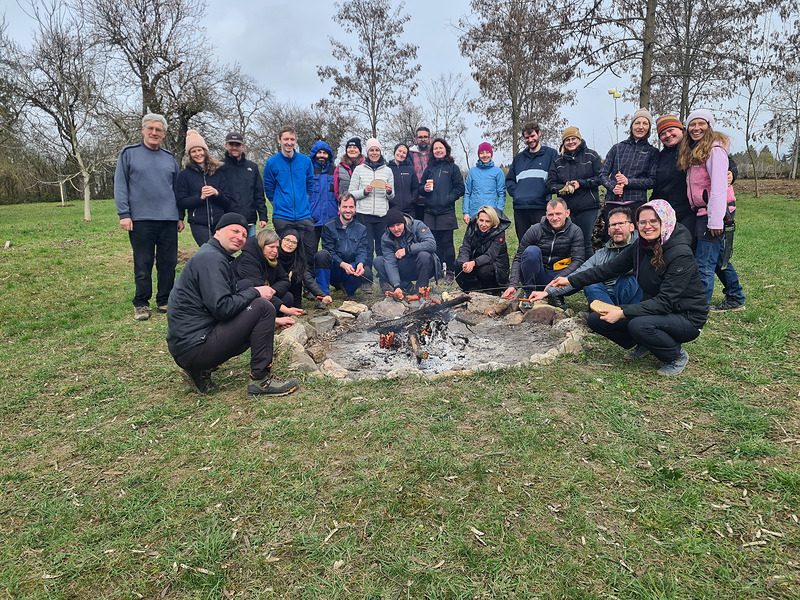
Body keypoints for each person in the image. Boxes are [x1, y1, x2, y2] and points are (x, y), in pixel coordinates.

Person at [549, 199, 708, 376]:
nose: (648, 226)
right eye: (643, 222)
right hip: (656, 310)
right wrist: (571, 280)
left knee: (639, 324)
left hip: (686, 317)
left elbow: (665, 302)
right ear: (637, 224)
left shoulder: (680, 254)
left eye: (654, 221)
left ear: (666, 221)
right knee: (596, 319)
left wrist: (623, 312)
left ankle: (675, 355)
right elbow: (607, 269)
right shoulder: (640, 247)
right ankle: (646, 343)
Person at [166, 213, 299, 396]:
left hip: (188, 345)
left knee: (246, 289)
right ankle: (260, 381)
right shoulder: (211, 260)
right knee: (263, 306)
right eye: (234, 231)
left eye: (244, 235)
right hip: (193, 346)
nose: (240, 237)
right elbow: (223, 308)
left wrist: (271, 321)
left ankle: (199, 371)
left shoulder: (213, 255)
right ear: (218, 231)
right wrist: (257, 293)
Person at [114, 113, 181, 321]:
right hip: (140, 220)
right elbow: (120, 185)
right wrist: (124, 214)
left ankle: (165, 299)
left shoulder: (170, 158)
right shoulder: (129, 154)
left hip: (168, 220)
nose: (154, 133)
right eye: (150, 128)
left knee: (168, 262)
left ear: (164, 134)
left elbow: (177, 190)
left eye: (158, 130)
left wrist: (179, 216)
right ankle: (141, 303)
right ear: (143, 130)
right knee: (143, 262)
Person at [677, 109, 746, 311]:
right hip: (703, 211)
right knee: (717, 258)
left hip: (715, 211)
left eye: (701, 124)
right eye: (692, 124)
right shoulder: (695, 151)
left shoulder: (715, 151)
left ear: (709, 126)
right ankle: (735, 296)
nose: (696, 128)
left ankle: (698, 308)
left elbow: (718, 188)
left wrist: (716, 221)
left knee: (703, 262)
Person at [651, 114, 739, 249]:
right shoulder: (659, 157)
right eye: (662, 133)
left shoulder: (695, 148)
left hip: (690, 211)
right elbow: (656, 186)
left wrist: (732, 173)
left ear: (682, 130)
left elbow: (726, 161)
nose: (667, 135)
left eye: (671, 130)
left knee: (687, 248)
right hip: (667, 212)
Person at [529, 207, 642, 309]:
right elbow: (580, 273)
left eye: (621, 223)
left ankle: (617, 314)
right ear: (608, 230)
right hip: (605, 297)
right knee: (590, 284)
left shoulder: (641, 247)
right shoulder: (601, 254)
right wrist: (547, 292)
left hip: (630, 295)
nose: (617, 228)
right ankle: (610, 314)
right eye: (613, 225)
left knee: (631, 278)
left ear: (632, 226)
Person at [502, 197, 585, 304]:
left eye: (558, 214)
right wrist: (513, 284)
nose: (554, 218)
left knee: (581, 274)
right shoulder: (535, 229)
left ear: (567, 213)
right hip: (537, 273)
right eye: (551, 214)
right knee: (531, 251)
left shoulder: (575, 231)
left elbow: (578, 260)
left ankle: (556, 293)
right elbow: (519, 257)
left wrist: (556, 281)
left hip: (559, 275)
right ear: (546, 214)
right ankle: (529, 290)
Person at [263, 125, 316, 284]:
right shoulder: (272, 163)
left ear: (295, 141)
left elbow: (310, 183)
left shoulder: (305, 161)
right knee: (284, 252)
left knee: (308, 251)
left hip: (303, 214)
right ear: (279, 140)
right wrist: (277, 203)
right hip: (282, 216)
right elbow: (269, 187)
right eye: (286, 139)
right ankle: (283, 282)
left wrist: (304, 199)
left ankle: (307, 285)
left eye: (292, 139)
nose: (289, 142)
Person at [599, 108, 659, 236]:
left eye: (645, 123)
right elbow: (602, 174)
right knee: (611, 239)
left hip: (636, 204)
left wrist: (628, 182)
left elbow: (652, 180)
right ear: (632, 126)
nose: (640, 127)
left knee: (635, 241)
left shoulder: (652, 152)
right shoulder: (617, 148)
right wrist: (613, 186)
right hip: (612, 203)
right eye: (637, 123)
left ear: (649, 128)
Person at [545, 126, 602, 259]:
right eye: (567, 140)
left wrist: (580, 183)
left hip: (588, 207)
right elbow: (550, 184)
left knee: (585, 241)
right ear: (563, 142)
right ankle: (570, 273)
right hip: (566, 208)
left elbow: (600, 178)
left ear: (579, 139)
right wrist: (563, 188)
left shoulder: (591, 156)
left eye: (573, 139)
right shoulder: (558, 161)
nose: (571, 142)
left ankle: (590, 274)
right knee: (568, 242)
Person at [348, 138, 394, 291]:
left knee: (382, 248)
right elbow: (351, 193)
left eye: (377, 150)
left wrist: (389, 191)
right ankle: (367, 280)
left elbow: (391, 196)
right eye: (371, 150)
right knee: (366, 248)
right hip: (364, 214)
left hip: (382, 214)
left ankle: (384, 280)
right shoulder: (359, 170)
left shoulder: (387, 171)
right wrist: (363, 192)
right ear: (367, 152)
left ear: (380, 152)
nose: (374, 153)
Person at [419, 137, 465, 280]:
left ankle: (450, 271)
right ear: (432, 152)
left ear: (446, 150)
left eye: (441, 148)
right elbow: (420, 188)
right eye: (435, 149)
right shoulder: (429, 169)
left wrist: (447, 199)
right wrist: (424, 189)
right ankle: (437, 271)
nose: (438, 150)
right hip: (430, 213)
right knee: (434, 243)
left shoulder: (453, 168)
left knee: (447, 243)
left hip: (446, 211)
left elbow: (460, 188)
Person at [505, 121, 559, 242]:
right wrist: (517, 193)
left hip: (541, 206)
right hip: (520, 208)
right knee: (523, 242)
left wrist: (543, 191)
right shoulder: (519, 158)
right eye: (527, 138)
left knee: (543, 241)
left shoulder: (551, 154)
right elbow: (509, 180)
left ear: (539, 134)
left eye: (532, 136)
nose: (530, 140)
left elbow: (555, 178)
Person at [177, 129, 231, 247]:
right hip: (198, 224)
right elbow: (181, 202)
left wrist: (217, 193)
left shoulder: (218, 172)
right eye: (193, 151)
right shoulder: (185, 175)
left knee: (223, 253)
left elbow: (227, 201)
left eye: (199, 150)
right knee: (210, 251)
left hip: (219, 223)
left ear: (205, 151)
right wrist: (200, 197)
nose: (197, 154)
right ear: (190, 154)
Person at [232, 228, 303, 317]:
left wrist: (272, 291)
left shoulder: (271, 258)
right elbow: (258, 289)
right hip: (244, 296)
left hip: (266, 293)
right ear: (262, 245)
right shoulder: (247, 260)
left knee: (287, 297)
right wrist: (286, 310)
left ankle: (271, 317)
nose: (275, 251)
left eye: (277, 247)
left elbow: (284, 279)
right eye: (271, 247)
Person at [314, 192, 368, 299]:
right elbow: (329, 250)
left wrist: (360, 264)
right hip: (334, 269)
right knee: (321, 255)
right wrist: (342, 264)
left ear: (355, 209)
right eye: (345, 207)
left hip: (351, 268)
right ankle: (323, 295)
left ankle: (349, 290)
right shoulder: (328, 226)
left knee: (367, 272)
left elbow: (362, 250)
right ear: (339, 207)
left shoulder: (361, 228)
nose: (348, 210)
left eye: (351, 207)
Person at [374, 207, 437, 295]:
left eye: (398, 224)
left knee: (424, 255)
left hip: (422, 265)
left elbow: (431, 244)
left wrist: (407, 250)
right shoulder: (386, 238)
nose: (396, 229)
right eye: (392, 226)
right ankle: (405, 286)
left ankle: (421, 290)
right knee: (378, 261)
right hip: (403, 266)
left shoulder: (417, 225)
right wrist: (396, 285)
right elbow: (390, 262)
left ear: (404, 222)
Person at [219, 131, 267, 238]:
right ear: (226, 146)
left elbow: (258, 193)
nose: (235, 147)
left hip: (249, 219)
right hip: (228, 219)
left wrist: (263, 216)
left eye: (238, 145)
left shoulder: (252, 167)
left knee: (249, 250)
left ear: (243, 147)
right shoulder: (219, 167)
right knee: (229, 252)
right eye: (232, 144)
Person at [455, 206, 510, 293]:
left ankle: (491, 288)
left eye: (487, 221)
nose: (483, 224)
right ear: (477, 220)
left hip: (495, 264)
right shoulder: (472, 227)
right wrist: (464, 262)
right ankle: (473, 288)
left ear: (493, 222)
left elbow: (491, 255)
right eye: (481, 220)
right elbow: (466, 246)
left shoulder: (499, 232)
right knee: (459, 263)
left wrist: (474, 263)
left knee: (484, 270)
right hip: (476, 259)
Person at [277, 229, 331, 309]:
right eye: (287, 240)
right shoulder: (273, 253)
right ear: (281, 240)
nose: (289, 244)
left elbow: (308, 279)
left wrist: (323, 295)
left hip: (290, 290)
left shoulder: (299, 258)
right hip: (275, 287)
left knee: (297, 273)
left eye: (294, 243)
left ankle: (296, 304)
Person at [463, 142, 506, 223]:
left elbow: (501, 194)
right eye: (482, 153)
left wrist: (498, 212)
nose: (485, 155)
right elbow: (467, 193)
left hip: (491, 213)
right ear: (479, 155)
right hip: (474, 213)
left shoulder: (498, 172)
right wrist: (466, 212)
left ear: (491, 154)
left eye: (487, 152)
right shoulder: (472, 172)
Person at [309, 140, 338, 248]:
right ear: (314, 154)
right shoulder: (308, 170)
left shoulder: (335, 171)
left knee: (332, 251)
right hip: (312, 219)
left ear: (329, 155)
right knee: (310, 251)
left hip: (331, 218)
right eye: (319, 152)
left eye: (324, 153)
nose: (322, 155)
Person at [387, 142, 419, 215]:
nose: (401, 154)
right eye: (399, 151)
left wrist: (412, 200)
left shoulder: (410, 169)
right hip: (392, 209)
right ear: (395, 151)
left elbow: (415, 187)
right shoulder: (388, 168)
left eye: (404, 153)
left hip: (409, 210)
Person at [409, 126, 432, 221]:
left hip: (431, 200)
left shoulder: (434, 153)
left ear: (429, 139)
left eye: (425, 137)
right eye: (420, 137)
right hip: (415, 201)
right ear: (416, 139)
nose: (423, 139)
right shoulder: (410, 154)